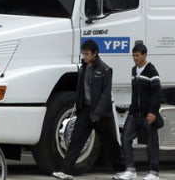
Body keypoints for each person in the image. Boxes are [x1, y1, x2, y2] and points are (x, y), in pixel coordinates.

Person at [53, 39, 125, 180]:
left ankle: (121, 170)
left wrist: (97, 113)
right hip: (85, 110)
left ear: (95, 54)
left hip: (102, 113)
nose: (84, 56)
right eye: (83, 54)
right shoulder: (83, 68)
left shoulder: (105, 70)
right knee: (76, 140)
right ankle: (66, 171)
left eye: (87, 54)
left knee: (110, 142)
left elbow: (106, 94)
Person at [116, 41, 162, 180]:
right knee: (125, 138)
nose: (135, 58)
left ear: (144, 55)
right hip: (135, 112)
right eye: (133, 56)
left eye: (137, 56)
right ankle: (130, 169)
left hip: (148, 113)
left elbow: (157, 94)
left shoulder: (151, 71)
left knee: (151, 142)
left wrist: (153, 112)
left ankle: (154, 172)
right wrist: (131, 110)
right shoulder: (133, 70)